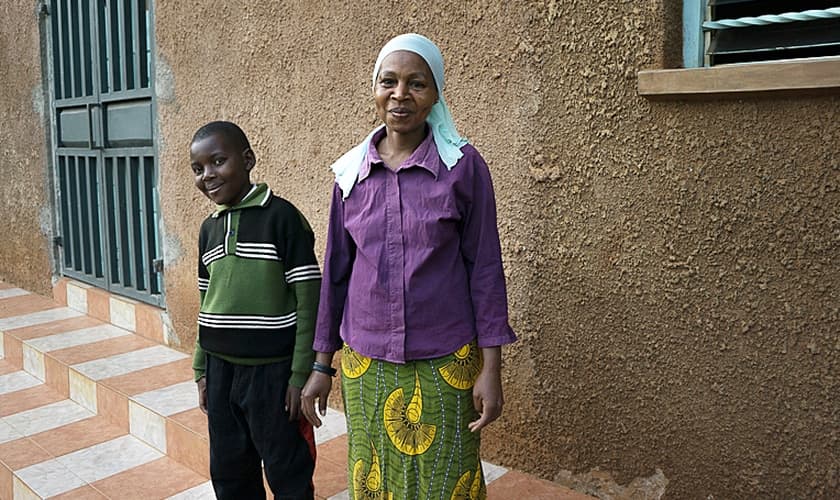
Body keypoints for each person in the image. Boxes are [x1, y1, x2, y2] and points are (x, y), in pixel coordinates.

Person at [301, 34, 517, 499]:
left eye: (416, 83)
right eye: (389, 82)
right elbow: (336, 272)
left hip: (447, 356)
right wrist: (322, 364)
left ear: (435, 92)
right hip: (366, 360)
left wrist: (492, 367)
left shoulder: (463, 167)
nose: (401, 95)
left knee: (448, 478)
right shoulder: (350, 176)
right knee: (376, 475)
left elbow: (485, 268)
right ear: (375, 90)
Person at [190, 121, 321, 500]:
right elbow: (206, 305)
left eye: (218, 161)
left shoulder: (282, 218)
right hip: (220, 371)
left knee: (287, 468)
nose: (208, 176)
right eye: (198, 169)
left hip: (273, 374)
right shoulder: (208, 229)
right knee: (230, 470)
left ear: (247, 159)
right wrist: (201, 369)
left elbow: (308, 299)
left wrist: (300, 373)